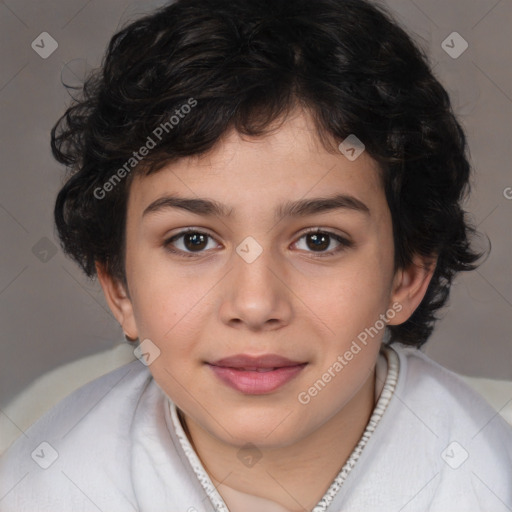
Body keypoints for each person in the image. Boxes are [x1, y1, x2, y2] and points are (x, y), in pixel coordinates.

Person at [1, 0, 511, 510]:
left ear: (406, 277)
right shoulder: (37, 484)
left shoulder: (491, 471)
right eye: (193, 240)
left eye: (318, 240)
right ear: (119, 286)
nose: (254, 303)